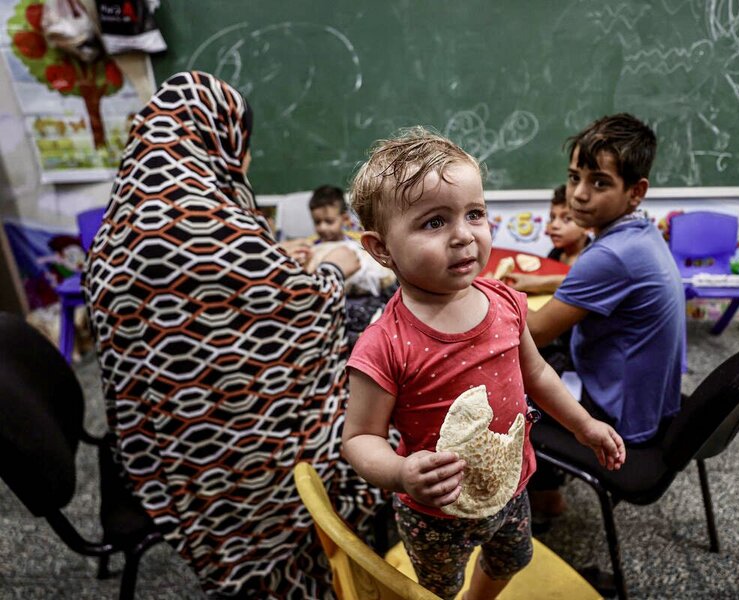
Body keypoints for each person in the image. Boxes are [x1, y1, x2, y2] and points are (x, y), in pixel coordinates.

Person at [84, 71, 383, 599]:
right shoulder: (204, 222)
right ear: (215, 138)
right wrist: (333, 267)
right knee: (383, 410)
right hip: (236, 457)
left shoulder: (125, 223)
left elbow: (218, 297)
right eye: (240, 146)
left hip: (163, 436)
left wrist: (271, 263)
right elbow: (303, 312)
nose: (243, 162)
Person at [340, 127, 626, 600]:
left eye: (474, 214)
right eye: (434, 222)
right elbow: (360, 439)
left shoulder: (506, 303)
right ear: (381, 248)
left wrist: (583, 425)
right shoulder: (383, 344)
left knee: (512, 558)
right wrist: (401, 472)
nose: (463, 236)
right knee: (438, 586)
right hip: (435, 511)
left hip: (511, 486)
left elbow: (536, 375)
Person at [527, 113, 685, 445]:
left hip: (618, 416)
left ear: (636, 191)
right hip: (650, 404)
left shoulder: (610, 255)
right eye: (574, 178)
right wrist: (539, 285)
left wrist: (478, 293)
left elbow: (536, 331)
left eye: (599, 182)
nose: (579, 195)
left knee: (508, 388)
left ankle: (548, 496)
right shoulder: (640, 235)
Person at [505, 184, 591, 295]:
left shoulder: (593, 257)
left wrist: (538, 283)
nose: (554, 225)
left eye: (567, 219)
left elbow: (587, 283)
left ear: (588, 226)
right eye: (552, 217)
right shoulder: (556, 253)